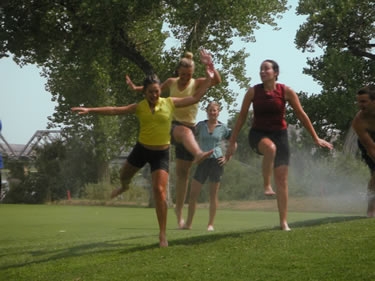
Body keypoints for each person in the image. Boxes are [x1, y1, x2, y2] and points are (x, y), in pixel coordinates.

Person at [71, 72, 214, 247]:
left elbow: (194, 98)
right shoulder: (139, 107)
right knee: (124, 176)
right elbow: (115, 110)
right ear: (144, 93)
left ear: (160, 90)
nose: (154, 95)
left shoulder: (169, 102)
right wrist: (90, 110)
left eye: (156, 91)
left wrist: (209, 79)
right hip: (141, 150)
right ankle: (124, 186)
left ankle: (162, 234)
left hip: (161, 154)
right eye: (150, 92)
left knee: (159, 191)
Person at [226, 59, 333, 231]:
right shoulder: (253, 92)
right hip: (258, 135)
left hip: (280, 135)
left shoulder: (286, 91)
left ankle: (283, 221)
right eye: (261, 69)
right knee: (270, 148)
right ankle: (266, 184)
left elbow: (301, 114)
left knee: (282, 180)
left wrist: (316, 137)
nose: (262, 72)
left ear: (275, 72)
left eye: (266, 69)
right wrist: (232, 142)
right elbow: (241, 118)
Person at [126, 48, 222, 228]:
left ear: (192, 73)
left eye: (189, 75)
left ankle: (179, 211)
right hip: (172, 125)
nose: (186, 78)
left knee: (182, 173)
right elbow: (153, 90)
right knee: (181, 132)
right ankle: (198, 154)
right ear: (178, 72)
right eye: (183, 74)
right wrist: (135, 88)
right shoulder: (171, 82)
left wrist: (209, 64)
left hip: (190, 128)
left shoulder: (197, 82)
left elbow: (216, 80)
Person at [183, 101, 235, 231]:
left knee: (213, 194)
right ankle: (188, 223)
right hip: (202, 160)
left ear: (218, 112)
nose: (212, 113)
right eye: (210, 110)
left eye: (215, 110)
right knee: (193, 194)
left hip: (216, 161)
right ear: (207, 111)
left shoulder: (223, 128)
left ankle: (210, 224)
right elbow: (188, 136)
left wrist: (227, 157)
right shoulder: (200, 126)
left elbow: (234, 142)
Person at [351, 84, 375, 217]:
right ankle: (371, 211)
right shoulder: (358, 121)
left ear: (374, 101)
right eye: (359, 102)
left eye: (364, 101)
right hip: (368, 144)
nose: (360, 105)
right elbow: (371, 148)